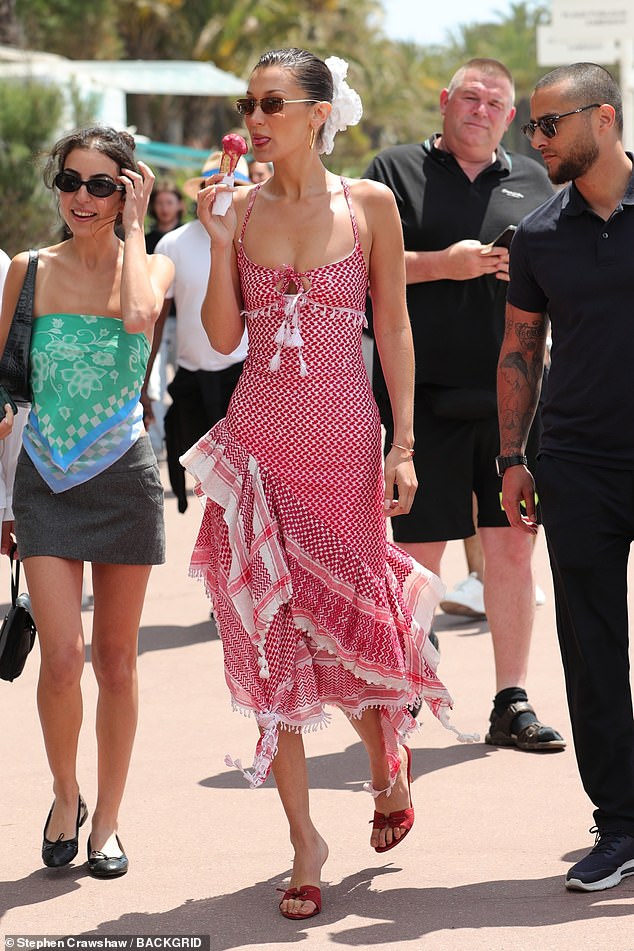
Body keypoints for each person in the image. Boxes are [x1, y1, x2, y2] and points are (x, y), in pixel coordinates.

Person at [181, 48, 473, 921]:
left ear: (318, 112)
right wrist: (221, 237)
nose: (255, 118)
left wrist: (407, 443)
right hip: (260, 442)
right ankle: (304, 840)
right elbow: (222, 336)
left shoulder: (369, 204)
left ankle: (389, 757)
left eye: (273, 102)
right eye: (250, 102)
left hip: (345, 441)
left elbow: (392, 325)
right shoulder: (239, 207)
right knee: (276, 635)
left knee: (348, 625)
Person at [364, 58, 565, 751]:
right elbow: (356, 267)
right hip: (419, 405)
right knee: (417, 561)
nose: (481, 110)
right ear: (445, 102)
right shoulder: (392, 173)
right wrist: (438, 264)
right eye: (470, 97)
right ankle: (411, 690)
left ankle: (512, 701)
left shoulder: (538, 179)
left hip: (516, 404)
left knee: (513, 552)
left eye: (496, 103)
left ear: (511, 118)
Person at [0, 126, 174, 877]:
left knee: (117, 660)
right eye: (71, 181)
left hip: (125, 475)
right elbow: (4, 388)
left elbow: (138, 315)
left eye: (102, 184)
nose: (81, 197)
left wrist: (134, 231)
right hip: (44, 473)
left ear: (129, 189)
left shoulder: (156, 267)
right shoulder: (28, 270)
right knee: (63, 655)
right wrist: (3, 498)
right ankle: (65, 793)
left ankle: (107, 819)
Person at [498, 62, 634, 892]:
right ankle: (618, 823)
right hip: (578, 461)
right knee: (591, 650)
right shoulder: (539, 235)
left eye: (549, 125)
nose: (536, 141)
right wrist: (513, 456)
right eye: (532, 129)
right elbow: (519, 348)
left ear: (605, 119)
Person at [140, 151, 250, 512]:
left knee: (247, 487)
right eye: (215, 186)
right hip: (191, 380)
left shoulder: (255, 240)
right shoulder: (172, 244)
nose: (223, 194)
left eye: (235, 187)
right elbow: (157, 319)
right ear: (201, 190)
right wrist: (143, 385)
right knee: (210, 490)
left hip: (244, 380)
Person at [144, 180, 185, 457]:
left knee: (182, 380)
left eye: (169, 202)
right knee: (154, 380)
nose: (164, 208)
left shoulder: (185, 238)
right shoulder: (146, 240)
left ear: (179, 205)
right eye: (160, 203)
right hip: (155, 319)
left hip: (183, 322)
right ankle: (157, 443)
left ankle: (180, 438)